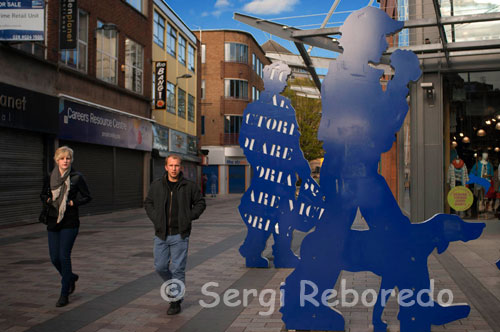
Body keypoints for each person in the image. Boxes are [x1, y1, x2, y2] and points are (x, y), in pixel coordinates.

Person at [144, 154, 206, 315]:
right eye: (171, 165)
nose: (174, 169)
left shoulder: (189, 186)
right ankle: (174, 287)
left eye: (177, 166)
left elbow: (200, 202)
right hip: (161, 234)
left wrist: (189, 217)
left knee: (178, 269)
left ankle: (175, 300)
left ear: (181, 167)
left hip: (180, 234)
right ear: (166, 167)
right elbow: (148, 203)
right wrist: (156, 218)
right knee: (160, 267)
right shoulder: (157, 185)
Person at [40, 146, 92, 307]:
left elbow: (87, 197)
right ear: (57, 160)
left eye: (68, 158)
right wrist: (48, 200)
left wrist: (72, 202)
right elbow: (42, 194)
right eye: (62, 158)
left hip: (69, 221)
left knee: (64, 256)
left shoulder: (77, 177)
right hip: (53, 220)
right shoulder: (50, 176)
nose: (65, 161)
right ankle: (70, 277)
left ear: (71, 160)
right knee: (54, 258)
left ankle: (64, 294)